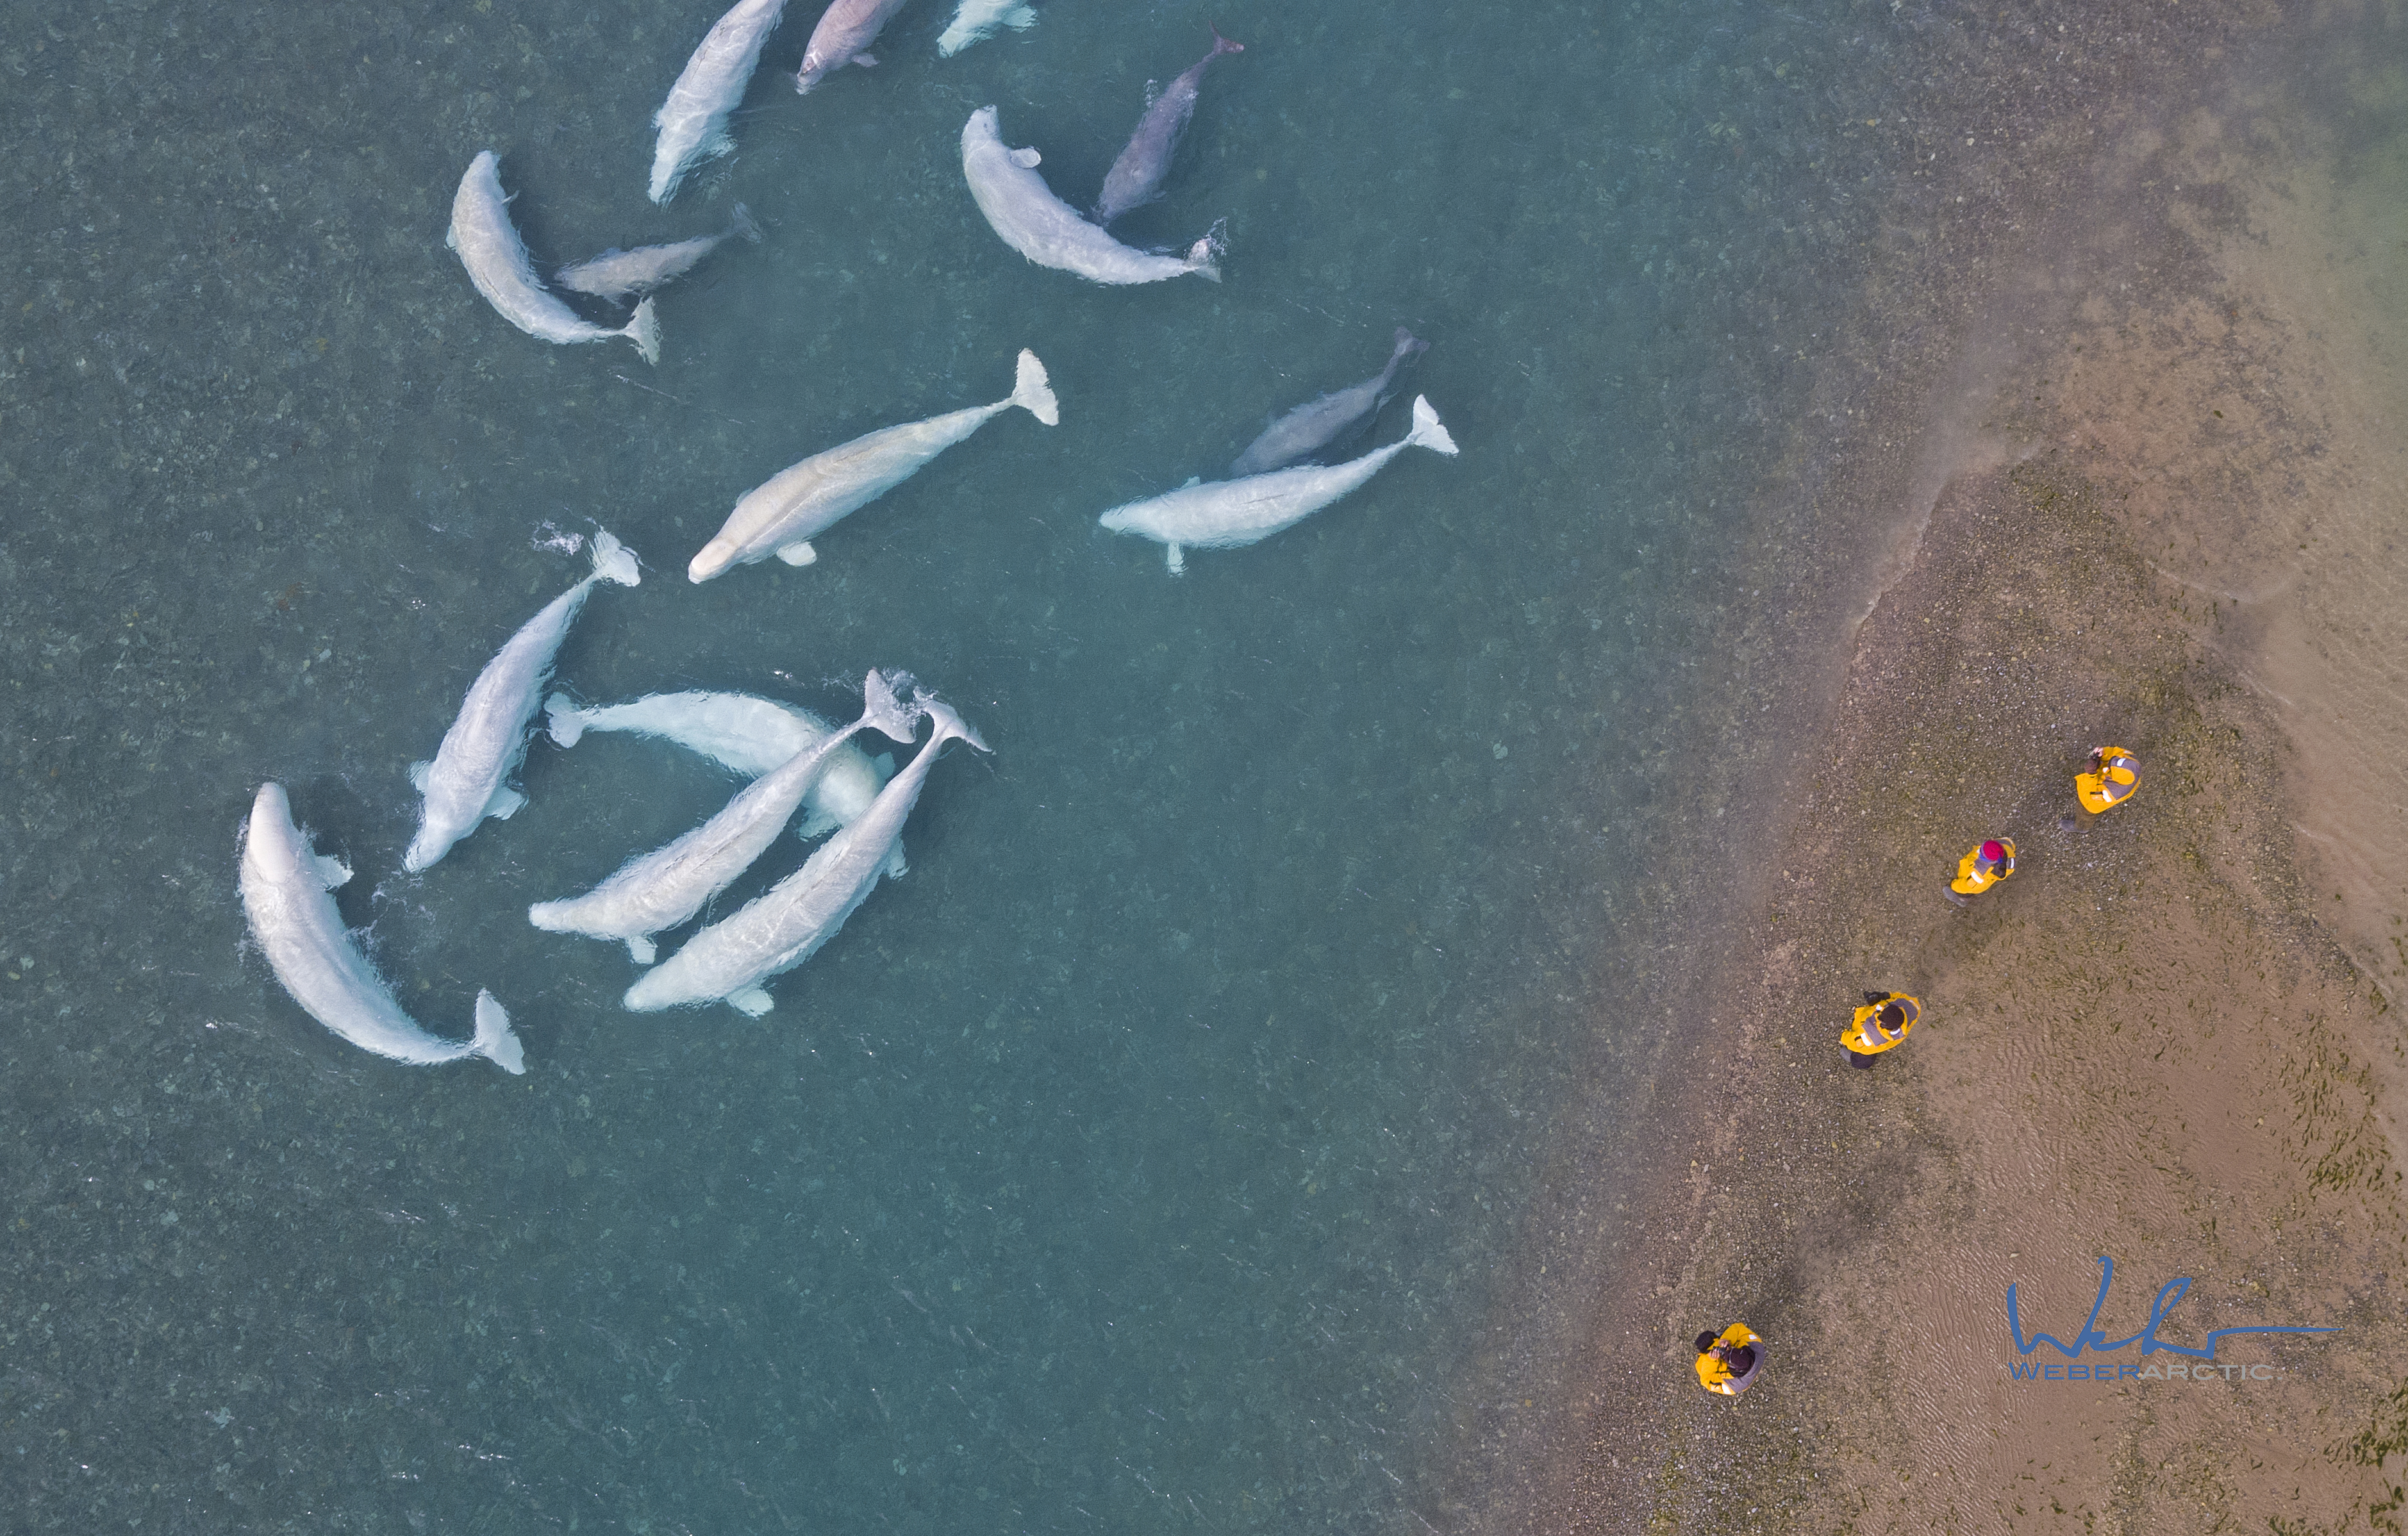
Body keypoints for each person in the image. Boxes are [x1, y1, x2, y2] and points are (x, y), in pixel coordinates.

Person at [1843, 990, 1922, 1068]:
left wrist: (1844, 1035)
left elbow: (1850, 1041)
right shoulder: (1912, 1007)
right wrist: (1885, 996)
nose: (1881, 1010)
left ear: (1883, 1025)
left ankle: (1861, 1057)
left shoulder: (1868, 1038)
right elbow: (1902, 998)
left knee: (1859, 1060)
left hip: (1865, 1041)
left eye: (1880, 1015)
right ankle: (1874, 1051)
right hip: (1877, 1043)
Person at [1695, 1324, 1765, 1396]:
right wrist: (1726, 1339)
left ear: (1734, 1370)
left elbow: (1706, 1380)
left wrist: (1710, 1361)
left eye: (1727, 1359)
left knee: (1700, 1361)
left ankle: (1712, 1342)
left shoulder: (1733, 1386)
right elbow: (1738, 1328)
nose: (1725, 1353)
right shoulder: (1756, 1346)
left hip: (1711, 1367)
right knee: (1708, 1338)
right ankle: (1718, 1339)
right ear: (1745, 1350)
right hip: (1743, 1363)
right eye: (1732, 1350)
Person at [2075, 745, 2139, 814]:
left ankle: (2081, 824)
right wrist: (2104, 753)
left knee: (2085, 814)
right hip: (2099, 781)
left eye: (2110, 771)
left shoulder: (2113, 792)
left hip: (2090, 803)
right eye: (2112, 762)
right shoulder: (2130, 760)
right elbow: (2114, 752)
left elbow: (2088, 793)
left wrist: (2091, 775)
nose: (2106, 768)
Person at [1950, 837, 2018, 896]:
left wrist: (1954, 886)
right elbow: (2008, 842)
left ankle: (1962, 897)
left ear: (1983, 858)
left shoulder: (1977, 875)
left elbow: (1965, 886)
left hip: (1971, 881)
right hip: (1985, 881)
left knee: (1967, 890)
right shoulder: (2005, 852)